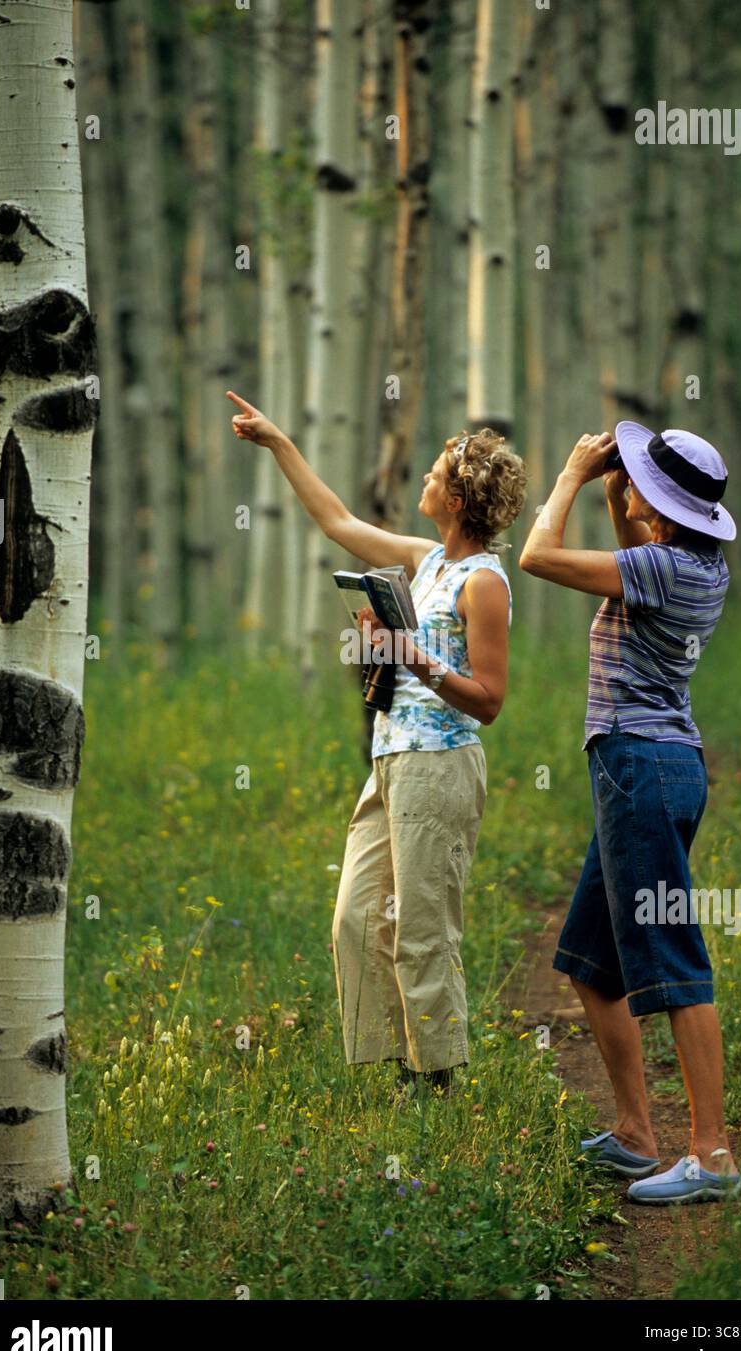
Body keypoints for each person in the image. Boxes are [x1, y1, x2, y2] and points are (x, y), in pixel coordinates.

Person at [227, 391, 526, 1095]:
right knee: (359, 921)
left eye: (433, 475)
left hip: (441, 766)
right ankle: (395, 1065)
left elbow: (489, 701)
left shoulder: (483, 585)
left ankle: (437, 1081)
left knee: (423, 929)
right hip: (391, 762)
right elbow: (337, 521)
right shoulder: (427, 561)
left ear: (458, 499)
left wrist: (414, 656)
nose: (422, 479)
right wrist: (279, 442)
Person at [519, 422, 741, 1204]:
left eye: (644, 484)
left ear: (666, 508)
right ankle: (636, 1134)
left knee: (674, 963)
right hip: (653, 767)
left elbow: (536, 557)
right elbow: (634, 570)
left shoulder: (661, 566)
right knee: (589, 961)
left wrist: (575, 476)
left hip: (640, 766)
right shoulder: (695, 567)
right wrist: (623, 497)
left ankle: (711, 1154)